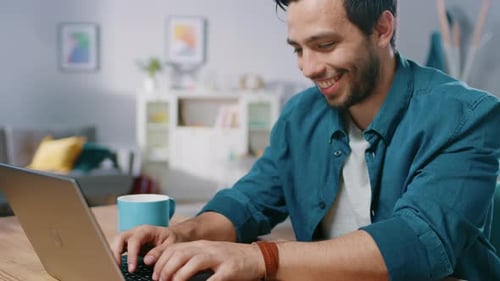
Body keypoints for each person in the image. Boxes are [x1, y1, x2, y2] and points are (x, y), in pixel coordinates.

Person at [112, 0, 500, 280]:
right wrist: (182, 234)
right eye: (298, 49)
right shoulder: (300, 115)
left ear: (382, 29)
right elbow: (249, 201)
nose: (308, 68)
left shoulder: (467, 116)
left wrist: (261, 259)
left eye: (325, 45)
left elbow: (417, 244)